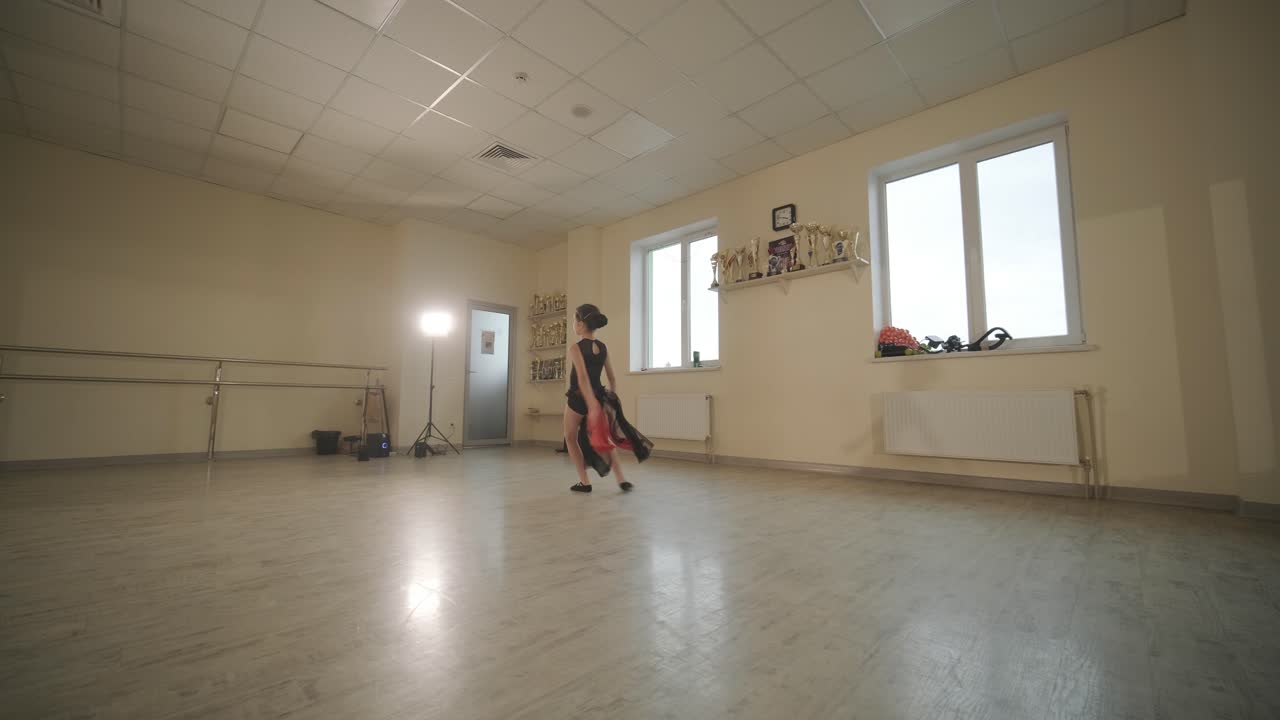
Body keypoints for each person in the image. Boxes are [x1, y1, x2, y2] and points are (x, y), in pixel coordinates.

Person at [564, 304, 651, 493]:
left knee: (570, 437)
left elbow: (582, 378)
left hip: (580, 399)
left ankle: (584, 482)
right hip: (599, 396)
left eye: (573, 321)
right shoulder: (602, 348)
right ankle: (621, 479)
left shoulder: (575, 348)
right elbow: (612, 377)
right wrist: (609, 397)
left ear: (579, 325)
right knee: (603, 439)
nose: (573, 325)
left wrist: (591, 404)